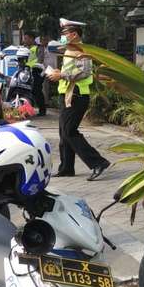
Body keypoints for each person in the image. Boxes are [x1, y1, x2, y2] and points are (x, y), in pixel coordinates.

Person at [46, 19, 110, 181]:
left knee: (69, 131)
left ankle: (98, 162)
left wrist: (61, 75)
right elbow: (70, 71)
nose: (63, 37)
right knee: (63, 132)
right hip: (67, 95)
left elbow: (85, 72)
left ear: (74, 35)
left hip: (77, 95)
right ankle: (67, 167)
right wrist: (59, 72)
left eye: (65, 34)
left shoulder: (82, 50)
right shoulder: (69, 50)